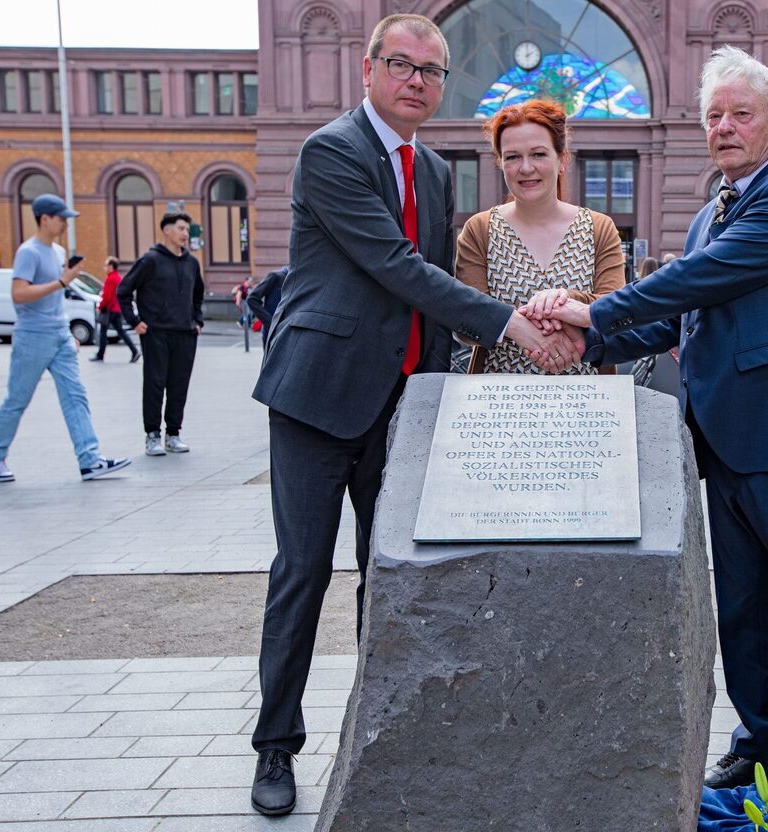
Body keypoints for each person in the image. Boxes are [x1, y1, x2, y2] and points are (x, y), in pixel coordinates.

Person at [247, 13, 581, 817]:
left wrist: (453, 382)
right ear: (368, 71)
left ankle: (379, 730)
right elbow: (391, 265)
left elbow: (432, 277)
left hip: (400, 403)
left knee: (389, 575)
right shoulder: (330, 151)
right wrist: (510, 323)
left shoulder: (432, 167)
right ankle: (275, 746)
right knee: (303, 572)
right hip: (318, 397)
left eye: (432, 72)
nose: (418, 82)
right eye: (402, 65)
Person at [522, 46, 768, 790]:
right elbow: (687, 316)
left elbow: (701, 278)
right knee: (745, 610)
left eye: (740, 114)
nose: (723, 127)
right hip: (729, 442)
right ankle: (761, 740)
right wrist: (590, 342)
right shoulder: (719, 204)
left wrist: (596, 308)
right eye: (713, 115)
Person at [455, 100, 624, 374]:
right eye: (512, 157)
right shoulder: (480, 229)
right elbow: (466, 323)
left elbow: (616, 312)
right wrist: (520, 328)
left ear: (562, 160)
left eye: (538, 154)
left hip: (586, 399)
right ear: (500, 163)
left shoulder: (598, 227)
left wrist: (565, 301)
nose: (525, 168)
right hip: (497, 400)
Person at [0, 194, 131, 484]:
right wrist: (62, 281)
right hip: (32, 336)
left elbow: (55, 298)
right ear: (45, 219)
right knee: (18, 399)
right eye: (62, 218)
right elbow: (19, 294)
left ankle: (89, 460)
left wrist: (68, 332)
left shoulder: (57, 252)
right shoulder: (28, 252)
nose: (66, 224)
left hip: (59, 335)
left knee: (75, 396)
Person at [117, 212, 205, 456]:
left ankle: (173, 434)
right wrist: (135, 322)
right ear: (166, 230)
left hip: (186, 334)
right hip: (156, 333)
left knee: (179, 386)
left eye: (187, 229)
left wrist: (197, 320)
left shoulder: (192, 263)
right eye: (180, 228)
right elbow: (123, 291)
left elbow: (198, 294)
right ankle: (152, 435)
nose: (185, 233)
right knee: (155, 384)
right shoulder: (150, 260)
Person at [90, 257, 140, 363]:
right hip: (116, 308)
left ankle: (100, 354)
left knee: (104, 332)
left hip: (110, 309)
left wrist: (100, 307)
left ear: (111, 266)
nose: (105, 268)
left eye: (106, 265)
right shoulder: (117, 277)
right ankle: (134, 350)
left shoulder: (110, 279)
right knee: (120, 331)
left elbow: (107, 297)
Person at [245, 266, 287, 350]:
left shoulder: (298, 279)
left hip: (287, 334)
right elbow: (252, 299)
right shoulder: (276, 276)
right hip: (272, 334)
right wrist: (271, 323)